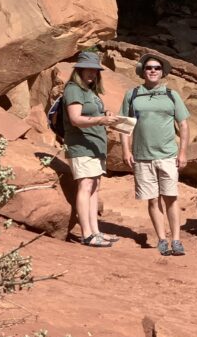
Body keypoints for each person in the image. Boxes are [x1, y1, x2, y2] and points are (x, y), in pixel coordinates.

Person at [120, 52, 190, 256]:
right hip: (142, 156)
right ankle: (161, 239)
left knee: (171, 197)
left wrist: (183, 152)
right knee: (152, 199)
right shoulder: (132, 95)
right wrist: (125, 150)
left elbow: (183, 125)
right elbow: (125, 124)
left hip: (167, 154)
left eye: (157, 68)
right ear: (143, 71)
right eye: (149, 67)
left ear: (162, 72)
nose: (152, 70)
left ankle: (176, 240)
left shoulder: (171, 95)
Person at [62, 50, 116, 248]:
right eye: (89, 70)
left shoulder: (89, 91)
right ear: (80, 70)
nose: (93, 74)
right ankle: (87, 233)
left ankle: (96, 231)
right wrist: (102, 119)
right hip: (81, 145)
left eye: (95, 70)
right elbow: (75, 119)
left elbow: (91, 113)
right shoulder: (74, 89)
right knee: (85, 186)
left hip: (95, 146)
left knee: (94, 187)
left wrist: (105, 113)